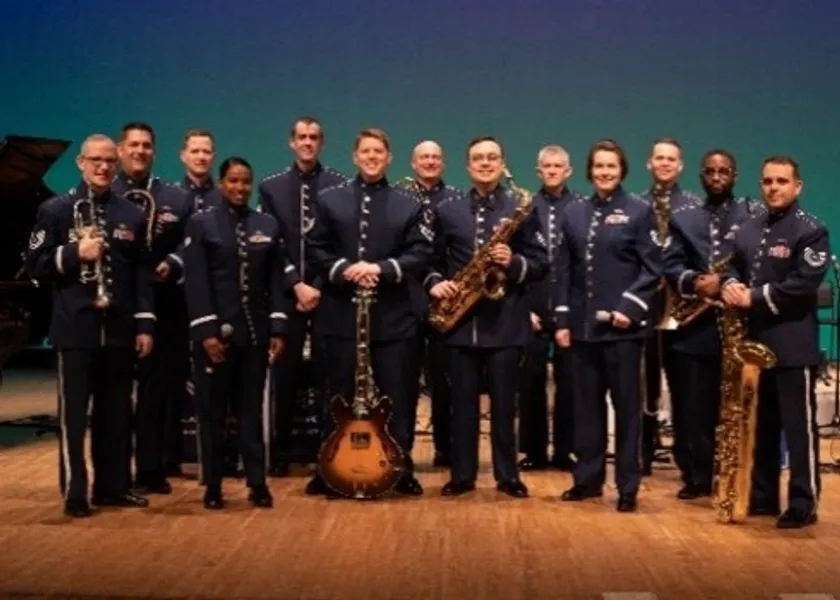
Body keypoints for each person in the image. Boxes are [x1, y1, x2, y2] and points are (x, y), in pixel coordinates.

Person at [24, 133, 154, 517]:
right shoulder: (56, 209)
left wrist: (144, 325)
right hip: (75, 329)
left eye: (110, 161)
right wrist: (73, 253)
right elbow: (35, 264)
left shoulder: (131, 213)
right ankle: (75, 492)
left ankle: (113, 487)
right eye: (95, 160)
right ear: (80, 162)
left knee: (116, 417)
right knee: (75, 419)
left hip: (118, 329)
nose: (103, 167)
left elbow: (141, 275)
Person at [304, 127, 431, 497]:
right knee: (336, 393)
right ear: (355, 157)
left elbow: (420, 252)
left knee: (398, 395)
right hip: (339, 315)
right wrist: (345, 269)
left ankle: (401, 469)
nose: (372, 157)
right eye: (366, 151)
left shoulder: (409, 203)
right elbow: (315, 247)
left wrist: (381, 269)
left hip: (393, 317)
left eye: (379, 152)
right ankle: (329, 470)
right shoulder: (329, 199)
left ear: (389, 158)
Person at [425, 135, 548, 498]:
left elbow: (540, 262)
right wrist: (436, 283)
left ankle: (508, 476)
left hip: (506, 321)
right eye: (478, 158)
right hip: (461, 322)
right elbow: (431, 260)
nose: (485, 163)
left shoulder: (521, 206)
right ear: (468, 166)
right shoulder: (448, 209)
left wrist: (514, 261)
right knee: (462, 405)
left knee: (504, 405)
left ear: (502, 163)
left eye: (492, 157)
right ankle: (462, 475)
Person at [553, 138, 662, 512]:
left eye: (611, 166)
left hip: (624, 330)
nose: (604, 172)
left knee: (627, 409)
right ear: (590, 171)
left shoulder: (639, 210)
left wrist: (629, 308)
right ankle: (587, 480)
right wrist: (563, 320)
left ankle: (628, 486)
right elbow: (565, 271)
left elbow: (652, 268)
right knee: (586, 409)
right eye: (599, 166)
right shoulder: (574, 212)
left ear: (622, 170)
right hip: (584, 329)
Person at [721, 155, 827, 529]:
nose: (773, 187)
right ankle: (764, 496)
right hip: (755, 344)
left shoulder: (811, 230)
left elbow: (804, 283)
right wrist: (729, 284)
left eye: (782, 181)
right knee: (761, 424)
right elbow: (732, 265)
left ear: (797, 186)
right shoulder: (749, 228)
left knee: (798, 429)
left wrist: (752, 296)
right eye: (767, 181)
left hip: (793, 344)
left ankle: (802, 502)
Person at [183, 156, 288, 510]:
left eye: (245, 181)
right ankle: (213, 486)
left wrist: (277, 327)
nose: (239, 187)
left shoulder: (267, 224)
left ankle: (257, 482)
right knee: (212, 415)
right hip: (214, 337)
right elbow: (196, 281)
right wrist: (207, 332)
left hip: (254, 337)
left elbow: (275, 280)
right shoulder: (201, 223)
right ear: (221, 183)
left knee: (250, 413)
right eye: (233, 181)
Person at [663, 149, 757, 498]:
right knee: (693, 406)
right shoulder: (683, 217)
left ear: (735, 176)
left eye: (724, 171)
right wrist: (694, 281)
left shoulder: (753, 214)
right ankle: (697, 475)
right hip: (695, 328)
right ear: (701, 176)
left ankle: (734, 473)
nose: (717, 177)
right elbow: (670, 265)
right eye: (710, 172)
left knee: (735, 404)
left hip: (741, 324)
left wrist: (732, 284)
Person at [257, 116, 348, 475]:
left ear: (321, 144)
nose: (308, 143)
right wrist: (296, 283)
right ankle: (280, 453)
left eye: (313, 137)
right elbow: (272, 243)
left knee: (331, 374)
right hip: (288, 294)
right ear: (291, 142)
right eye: (302, 137)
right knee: (285, 373)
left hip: (329, 294)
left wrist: (319, 286)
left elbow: (340, 244)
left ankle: (328, 451)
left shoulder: (340, 185)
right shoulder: (271, 187)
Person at [111, 122, 194, 495]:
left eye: (146, 145)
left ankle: (151, 467)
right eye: (133, 145)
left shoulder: (176, 197)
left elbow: (192, 243)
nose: (140, 151)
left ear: (154, 152)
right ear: (120, 149)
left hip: (164, 306)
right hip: (114, 306)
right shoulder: (105, 195)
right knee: (113, 393)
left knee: (156, 392)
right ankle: (114, 473)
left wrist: (172, 263)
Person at [638, 137, 701, 476]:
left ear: (680, 166)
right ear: (649, 163)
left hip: (683, 310)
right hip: (646, 307)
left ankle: (688, 458)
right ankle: (643, 452)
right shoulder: (635, 205)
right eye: (659, 158)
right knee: (644, 384)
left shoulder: (695, 207)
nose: (664, 163)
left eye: (671, 159)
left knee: (684, 386)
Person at [518, 144, 579, 472]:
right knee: (531, 380)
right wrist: (523, 308)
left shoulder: (582, 207)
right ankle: (533, 451)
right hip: (533, 307)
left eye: (558, 166)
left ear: (568, 171)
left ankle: (567, 451)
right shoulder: (525, 207)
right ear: (538, 171)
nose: (553, 171)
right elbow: (516, 261)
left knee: (570, 382)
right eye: (547, 166)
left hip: (570, 308)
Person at [397, 139, 457, 468]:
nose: (430, 162)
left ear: (443, 163)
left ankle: (446, 449)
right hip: (405, 301)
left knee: (444, 381)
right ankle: (400, 451)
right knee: (403, 381)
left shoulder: (457, 201)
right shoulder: (397, 199)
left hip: (446, 301)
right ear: (413, 162)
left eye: (436, 157)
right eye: (424, 157)